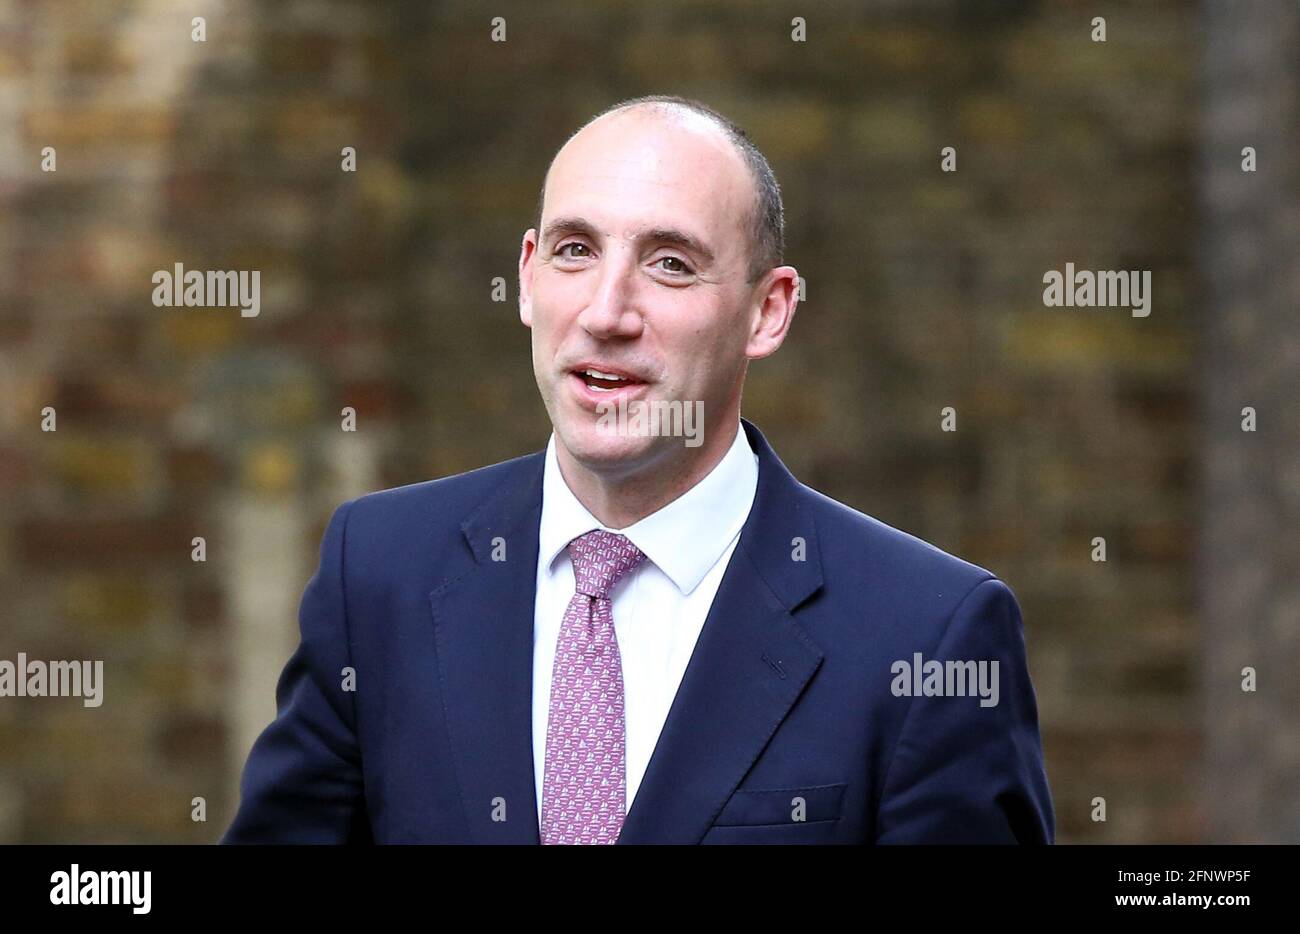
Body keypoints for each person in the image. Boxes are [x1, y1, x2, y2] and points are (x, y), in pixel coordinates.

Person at [222, 94, 1055, 844]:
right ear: (524, 278)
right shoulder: (379, 571)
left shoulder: (928, 633)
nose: (606, 312)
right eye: (575, 250)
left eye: (670, 263)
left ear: (768, 311)